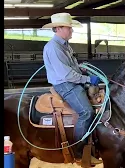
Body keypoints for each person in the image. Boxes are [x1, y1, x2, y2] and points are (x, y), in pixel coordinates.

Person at [42, 12, 102, 165]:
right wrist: (88, 79)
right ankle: (78, 151)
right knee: (86, 112)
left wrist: (80, 69)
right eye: (69, 28)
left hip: (72, 81)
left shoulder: (64, 46)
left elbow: (72, 67)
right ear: (58, 28)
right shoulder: (54, 48)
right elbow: (66, 74)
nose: (72, 31)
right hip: (65, 85)